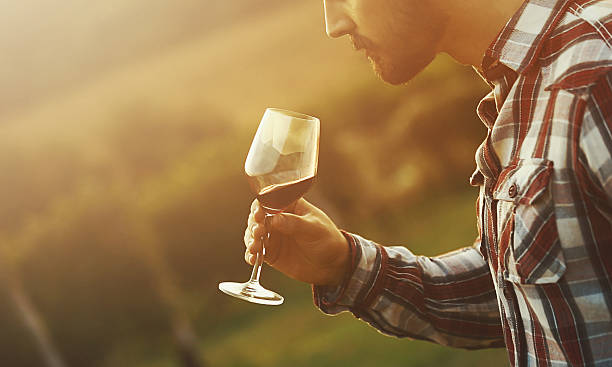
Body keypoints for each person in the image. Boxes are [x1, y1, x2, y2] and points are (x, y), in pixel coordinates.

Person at [244, 0, 612, 365]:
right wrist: (345, 265)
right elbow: (528, 296)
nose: (333, 25)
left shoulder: (598, 72)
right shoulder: (532, 81)